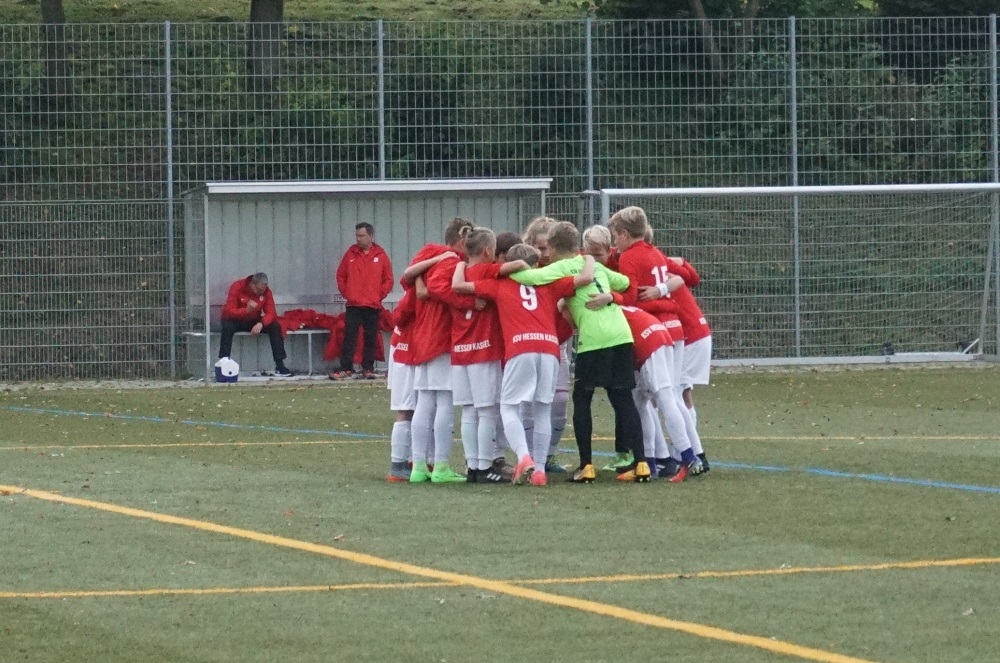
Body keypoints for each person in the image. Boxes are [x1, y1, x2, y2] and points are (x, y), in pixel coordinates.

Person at [511, 221, 651, 483]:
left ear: (553, 247)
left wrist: (506, 268)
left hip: (594, 339)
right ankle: (642, 464)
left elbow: (528, 278)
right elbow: (626, 283)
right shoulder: (594, 265)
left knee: (582, 400)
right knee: (624, 399)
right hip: (622, 335)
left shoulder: (561, 267)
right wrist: (610, 295)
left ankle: (586, 466)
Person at [454, 243, 595, 486]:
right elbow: (585, 278)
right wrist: (589, 258)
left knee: (509, 407)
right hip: (549, 348)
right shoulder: (548, 281)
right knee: (542, 409)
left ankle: (524, 457)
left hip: (520, 348)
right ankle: (539, 470)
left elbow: (458, 286)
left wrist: (460, 264)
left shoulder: (500, 284)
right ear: (536, 263)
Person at [331, 222, 394, 380]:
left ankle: (368, 369)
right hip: (354, 304)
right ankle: (346, 368)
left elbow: (388, 279)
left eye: (362, 235)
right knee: (349, 337)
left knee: (370, 338)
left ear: (370, 236)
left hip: (372, 305)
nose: (358, 239)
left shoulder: (381, 255)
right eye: (357, 236)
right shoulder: (350, 254)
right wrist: (348, 293)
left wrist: (378, 295)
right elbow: (341, 275)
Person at [219, 272, 293, 377]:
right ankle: (224, 364)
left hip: (253, 320)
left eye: (263, 290)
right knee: (227, 327)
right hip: (235, 320)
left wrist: (261, 323)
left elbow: (271, 313)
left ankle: (280, 365)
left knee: (275, 326)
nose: (260, 293)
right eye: (258, 290)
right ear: (252, 284)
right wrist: (246, 310)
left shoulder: (266, 292)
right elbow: (229, 311)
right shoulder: (237, 286)